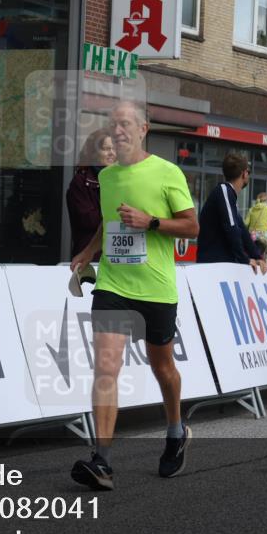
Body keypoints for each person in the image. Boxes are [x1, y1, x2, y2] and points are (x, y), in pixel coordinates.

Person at [68, 100, 199, 491]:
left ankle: (176, 431)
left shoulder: (166, 172)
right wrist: (88, 253)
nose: (118, 131)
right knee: (106, 368)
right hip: (113, 285)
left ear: (143, 129)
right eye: (113, 125)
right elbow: (107, 225)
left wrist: (151, 222)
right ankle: (102, 461)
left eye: (125, 124)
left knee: (163, 369)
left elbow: (192, 227)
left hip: (156, 287)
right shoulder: (107, 178)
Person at [196, 151, 267, 274]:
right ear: (244, 173)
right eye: (248, 172)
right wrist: (244, 258)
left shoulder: (230, 196)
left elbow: (242, 230)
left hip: (221, 265)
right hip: (212, 266)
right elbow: (232, 228)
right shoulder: (224, 191)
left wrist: (257, 257)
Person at [67, 128, 115, 258]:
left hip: (117, 256)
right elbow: (89, 221)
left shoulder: (121, 179)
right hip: (91, 257)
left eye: (114, 149)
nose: (112, 153)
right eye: (106, 149)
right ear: (93, 153)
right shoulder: (80, 182)